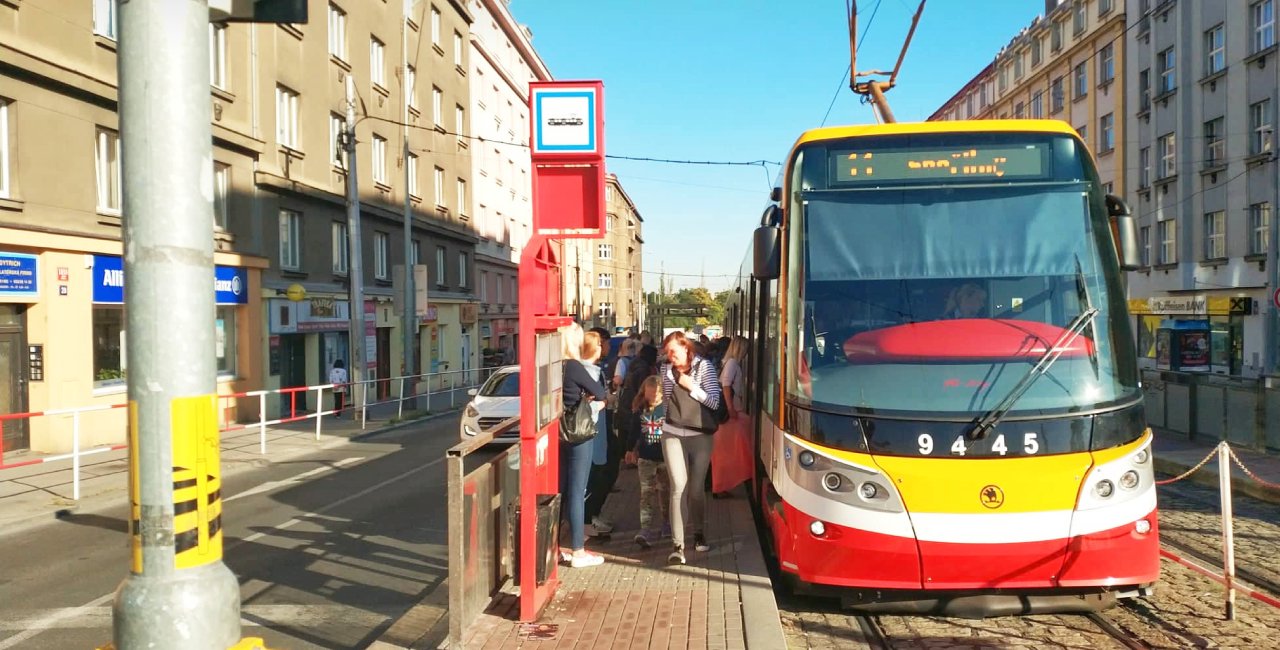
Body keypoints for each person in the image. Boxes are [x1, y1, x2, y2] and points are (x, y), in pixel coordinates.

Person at [660, 330, 723, 565]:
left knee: (696, 489)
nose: (670, 356)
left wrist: (691, 386)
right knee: (678, 487)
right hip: (672, 432)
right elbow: (667, 403)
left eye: (673, 351)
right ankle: (677, 546)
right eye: (667, 352)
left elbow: (714, 402)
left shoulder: (705, 367)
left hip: (700, 435)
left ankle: (698, 532)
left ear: (686, 348)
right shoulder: (665, 370)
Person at [559, 323, 608, 568]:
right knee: (577, 491)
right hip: (578, 433)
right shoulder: (573, 366)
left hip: (557, 432)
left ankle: (553, 546)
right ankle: (578, 549)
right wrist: (586, 397)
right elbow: (600, 393)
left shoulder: (554, 366)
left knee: (561, 490)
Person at [626, 375, 669, 549]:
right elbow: (634, 431)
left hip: (665, 458)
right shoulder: (640, 410)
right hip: (646, 458)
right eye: (649, 395)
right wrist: (630, 449)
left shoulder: (667, 409)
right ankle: (645, 529)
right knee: (646, 493)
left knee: (665, 492)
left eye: (655, 395)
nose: (652, 398)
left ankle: (666, 521)